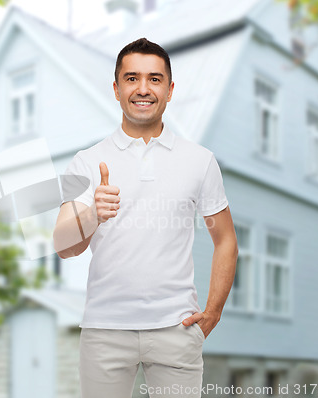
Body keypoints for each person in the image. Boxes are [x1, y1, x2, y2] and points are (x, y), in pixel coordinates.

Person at [53, 38, 238, 398]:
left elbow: (225, 239)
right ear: (117, 88)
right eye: (132, 78)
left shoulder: (200, 161)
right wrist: (92, 215)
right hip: (105, 331)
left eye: (154, 79)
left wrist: (212, 312)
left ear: (170, 90)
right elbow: (64, 247)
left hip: (177, 328)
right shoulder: (87, 161)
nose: (143, 88)